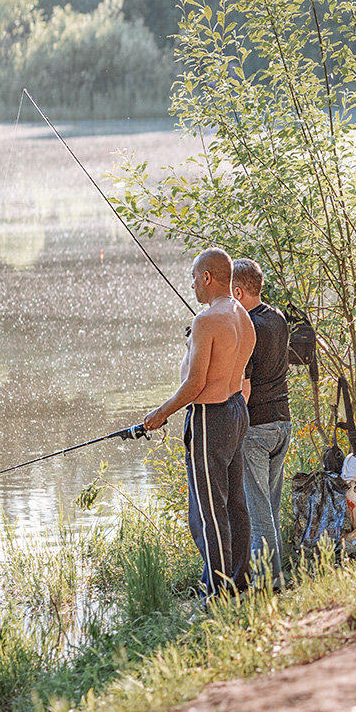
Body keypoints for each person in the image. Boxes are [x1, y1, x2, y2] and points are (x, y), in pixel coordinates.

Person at [144, 248, 256, 597]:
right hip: (238, 409)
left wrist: (161, 413)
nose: (192, 285)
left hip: (210, 417)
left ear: (207, 277)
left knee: (208, 510)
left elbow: (195, 384)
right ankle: (239, 581)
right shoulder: (242, 314)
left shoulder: (207, 321)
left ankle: (219, 592)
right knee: (235, 503)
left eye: (194, 277)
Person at [231, 258, 292, 589]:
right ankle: (274, 574)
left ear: (238, 291)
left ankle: (270, 582)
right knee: (269, 507)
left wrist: (234, 426)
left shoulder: (247, 328)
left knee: (257, 514)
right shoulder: (277, 317)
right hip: (283, 423)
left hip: (257, 430)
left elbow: (245, 386)